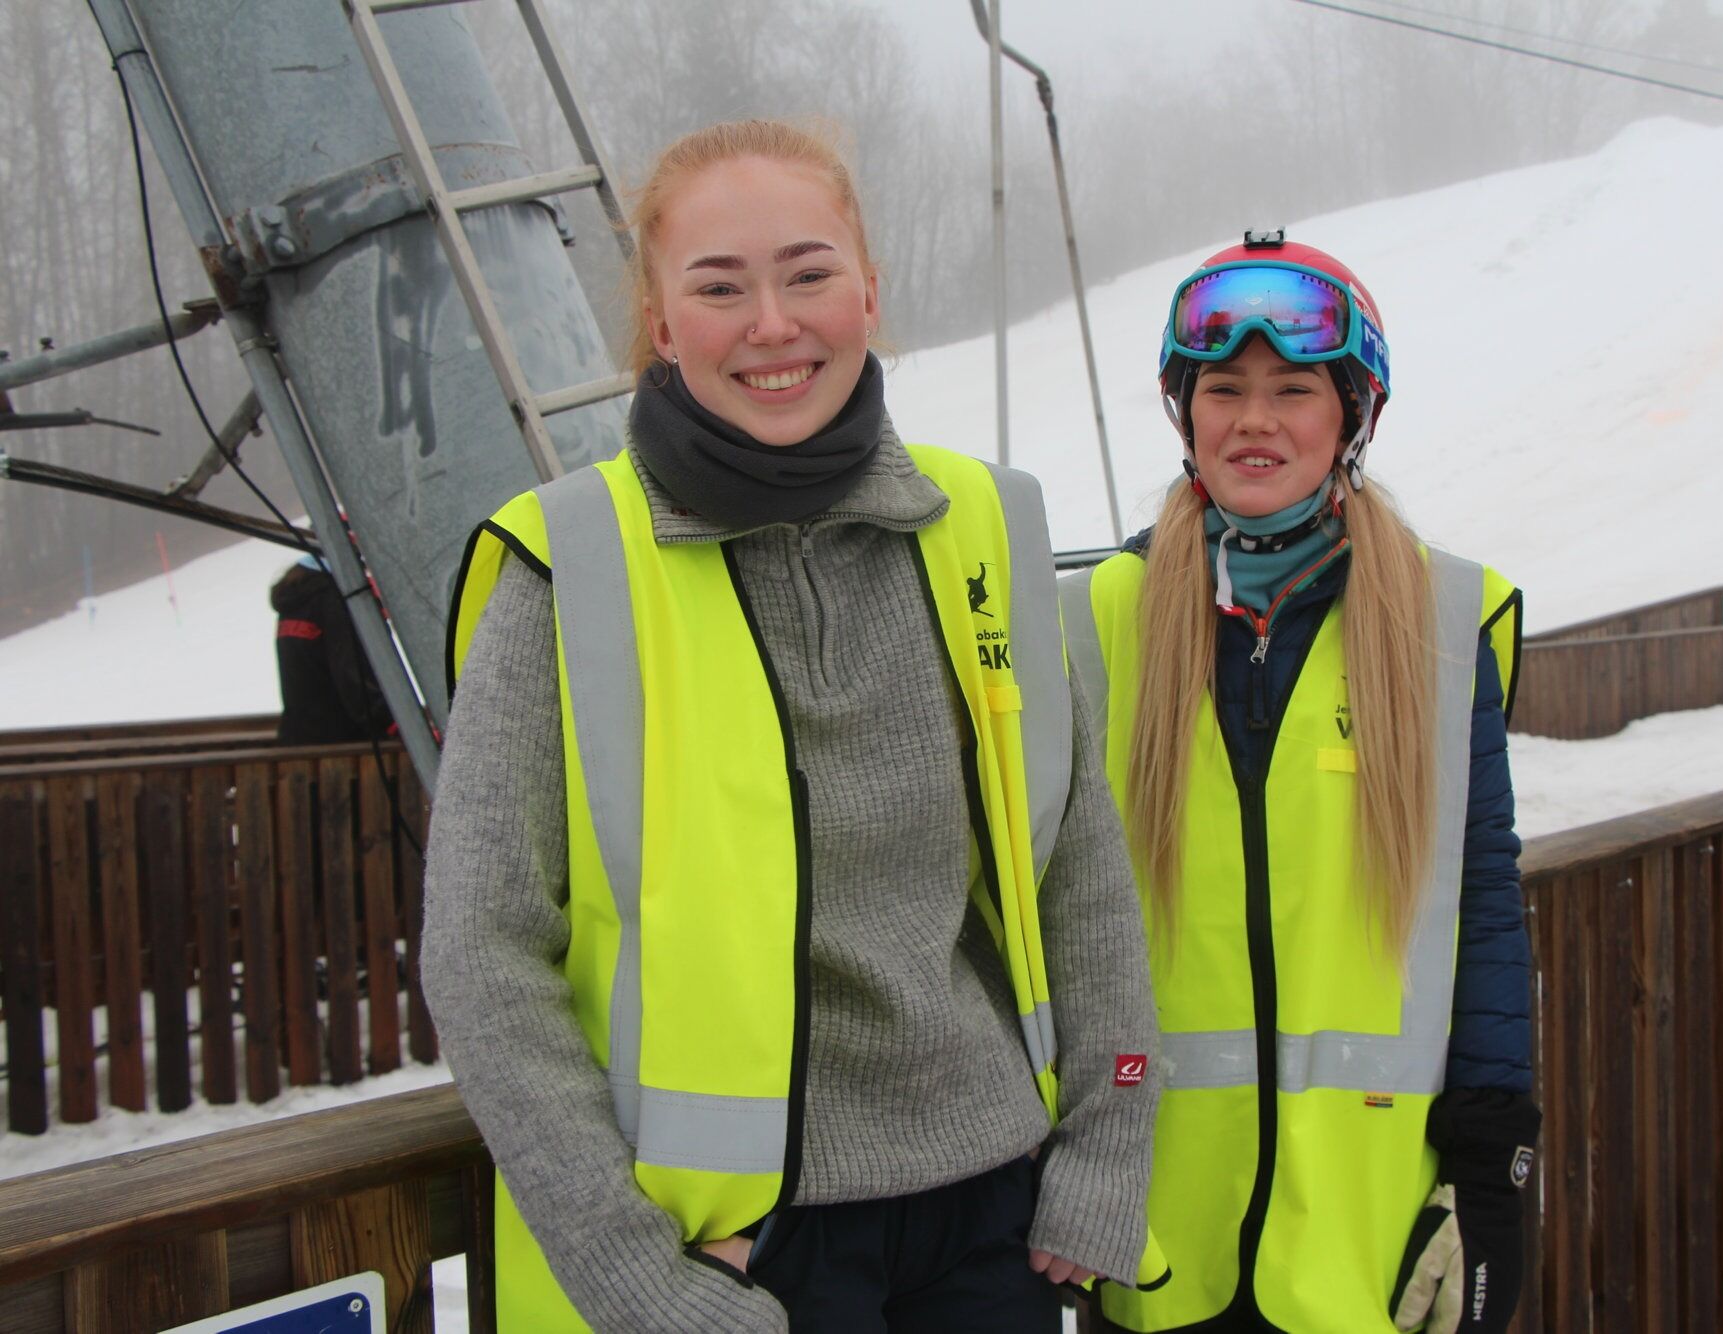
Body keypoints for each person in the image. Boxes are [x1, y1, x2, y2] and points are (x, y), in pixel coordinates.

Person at [425, 119, 1164, 1332]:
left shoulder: (981, 522)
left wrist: (1104, 1150)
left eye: (808, 273)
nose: (772, 323)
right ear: (661, 325)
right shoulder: (565, 567)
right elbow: (482, 951)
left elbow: (1075, 862)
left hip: (988, 1217)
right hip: (732, 1247)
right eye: (719, 288)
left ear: (867, 292)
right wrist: (632, 1277)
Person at [1061, 232, 1538, 1332]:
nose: (1254, 420)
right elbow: (1045, 916)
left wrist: (1488, 1165)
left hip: (1359, 1231)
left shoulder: (1436, 625)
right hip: (1144, 1232)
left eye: (1292, 390)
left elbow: (1480, 901)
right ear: (1187, 416)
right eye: (1222, 389)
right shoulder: (1098, 621)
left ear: (1351, 415)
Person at [268, 554, 393, 745]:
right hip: (345, 743)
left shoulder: (299, 592)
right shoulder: (335, 599)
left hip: (301, 738)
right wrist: (390, 723)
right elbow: (352, 675)